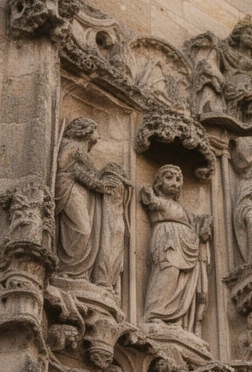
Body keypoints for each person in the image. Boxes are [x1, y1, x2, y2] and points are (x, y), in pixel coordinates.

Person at [54, 118, 127, 288]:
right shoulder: (73, 146)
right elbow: (68, 167)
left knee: (85, 230)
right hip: (69, 187)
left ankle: (77, 273)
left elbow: (90, 172)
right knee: (82, 229)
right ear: (85, 130)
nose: (99, 137)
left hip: (77, 190)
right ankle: (68, 271)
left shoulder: (78, 149)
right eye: (97, 131)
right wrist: (99, 184)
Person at [141, 165, 212, 332]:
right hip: (167, 240)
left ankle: (174, 319)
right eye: (169, 177)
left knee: (182, 282)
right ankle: (154, 314)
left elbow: (194, 222)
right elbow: (150, 201)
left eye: (178, 179)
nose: (175, 183)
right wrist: (149, 194)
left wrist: (204, 224)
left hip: (185, 246)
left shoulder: (182, 209)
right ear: (158, 183)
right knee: (167, 274)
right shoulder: (159, 202)